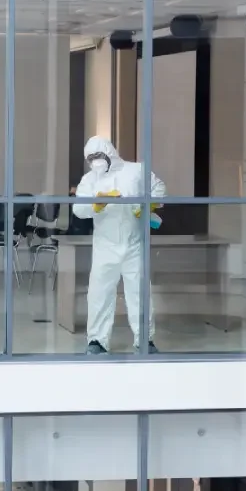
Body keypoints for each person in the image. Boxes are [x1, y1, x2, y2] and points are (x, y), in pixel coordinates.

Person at [73, 136, 166, 355]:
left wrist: (148, 204)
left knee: (140, 293)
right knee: (99, 293)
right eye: (91, 158)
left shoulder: (135, 171)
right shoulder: (89, 180)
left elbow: (160, 188)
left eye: (98, 155)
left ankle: (145, 339)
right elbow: (78, 208)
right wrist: (95, 205)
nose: (96, 161)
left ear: (109, 152)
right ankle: (97, 340)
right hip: (105, 246)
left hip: (134, 244)